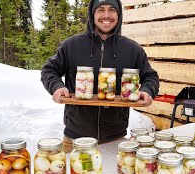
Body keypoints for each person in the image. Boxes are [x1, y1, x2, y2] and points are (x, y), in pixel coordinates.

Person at [41, 0, 159, 153]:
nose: (107, 15)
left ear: (119, 14)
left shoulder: (132, 49)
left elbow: (151, 77)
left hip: (115, 140)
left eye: (112, 10)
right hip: (74, 140)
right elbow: (49, 70)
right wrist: (57, 87)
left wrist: (147, 90)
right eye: (100, 10)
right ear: (92, 14)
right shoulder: (72, 45)